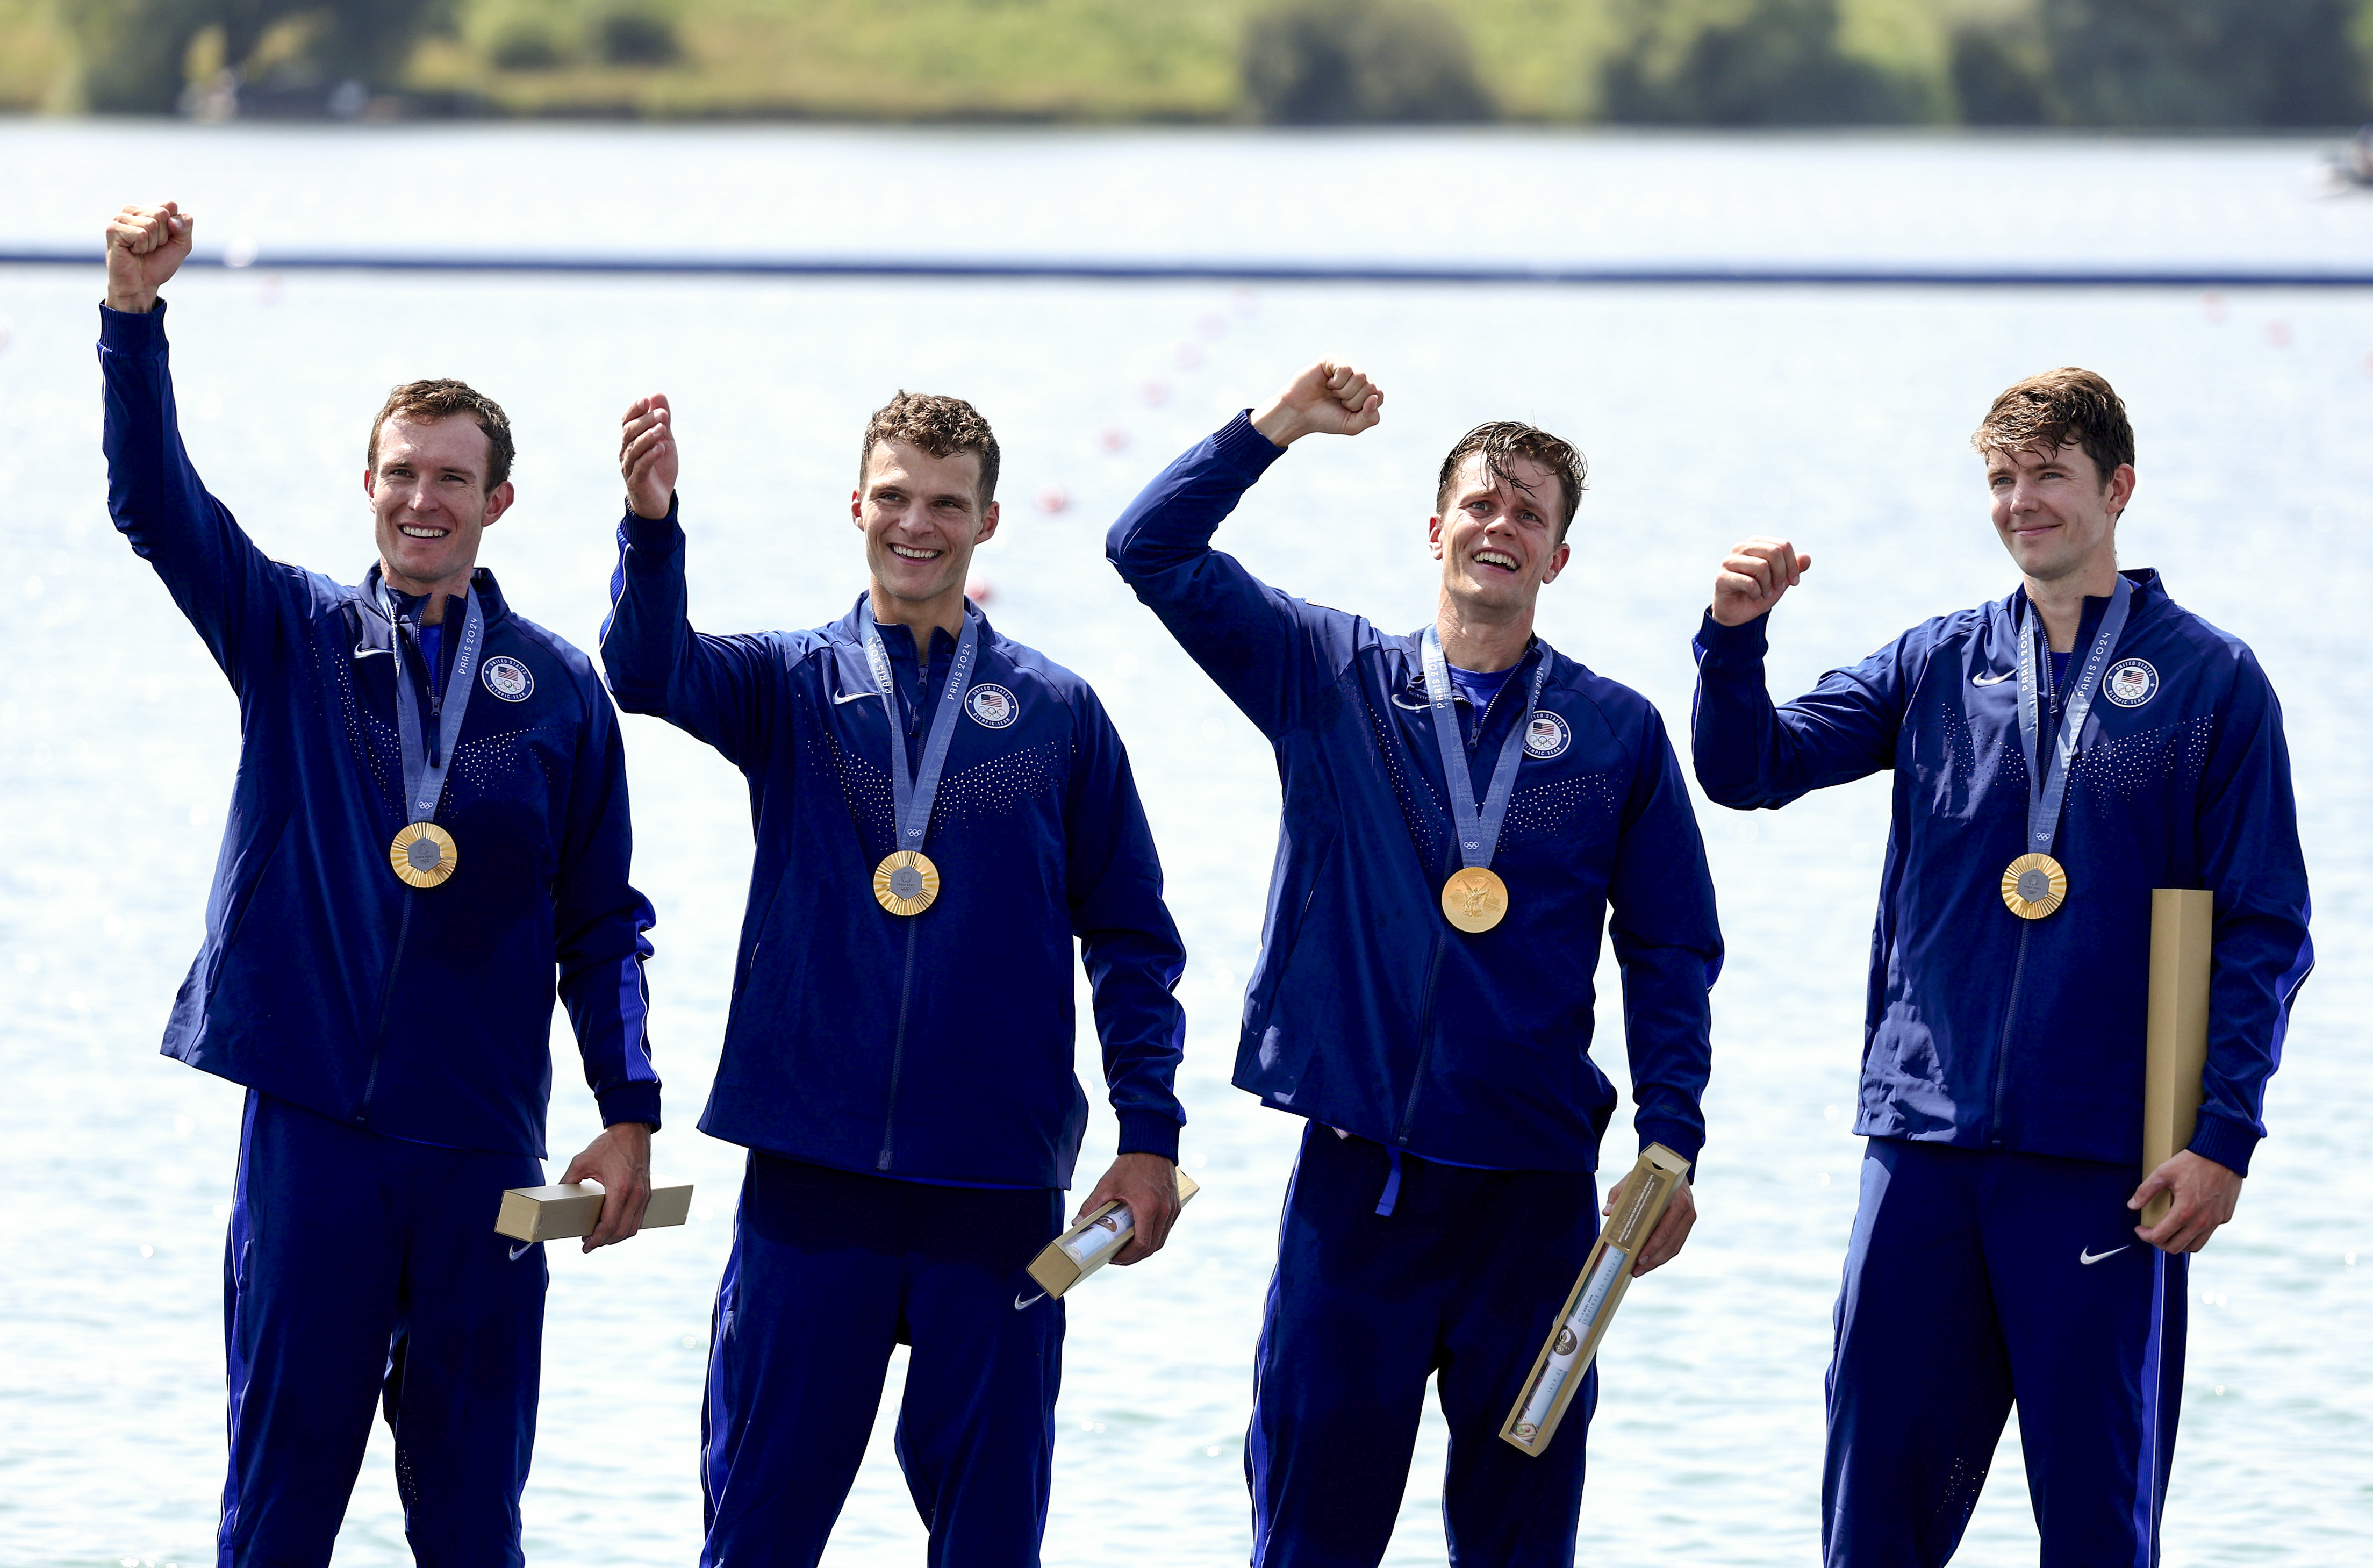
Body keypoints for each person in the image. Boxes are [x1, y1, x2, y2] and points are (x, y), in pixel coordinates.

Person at [97, 202, 662, 1566]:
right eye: (402, 472)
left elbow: (605, 925)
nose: (424, 500)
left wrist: (630, 1112)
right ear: (368, 485)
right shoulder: (292, 635)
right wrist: (131, 316)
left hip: (479, 1152)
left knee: (472, 1522)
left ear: (499, 502)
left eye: (453, 479)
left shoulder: (561, 697)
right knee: (279, 1512)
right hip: (317, 1142)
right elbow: (151, 501)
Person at [1691, 368, 2313, 1566]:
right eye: (2002, 480)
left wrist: (2223, 1137)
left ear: (2118, 488)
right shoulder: (1936, 662)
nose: (2023, 502)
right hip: (1921, 1148)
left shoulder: (2210, 682)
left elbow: (2267, 930)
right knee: (1875, 1524)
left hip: (2103, 1165)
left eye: (2050, 477)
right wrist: (1733, 640)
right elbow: (1751, 767)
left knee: (2094, 1529)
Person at [1106, 361, 1721, 1566]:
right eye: (1482, 504)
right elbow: (1149, 548)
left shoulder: (1615, 733)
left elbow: (1670, 950)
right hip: (1359, 1195)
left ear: (1556, 560)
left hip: (1537, 1206)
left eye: (1530, 514)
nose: (1502, 525)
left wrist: (1671, 1136)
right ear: (1436, 529)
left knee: (1517, 1544)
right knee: (1312, 1542)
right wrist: (1274, 428)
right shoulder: (1325, 676)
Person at [601, 388, 1188, 1566]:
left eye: (946, 504)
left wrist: (1151, 1131)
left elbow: (1132, 939)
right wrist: (651, 527)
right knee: (759, 1529)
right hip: (812, 1183)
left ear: (989, 522)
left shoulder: (1059, 715)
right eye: (895, 498)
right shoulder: (788, 686)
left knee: (989, 1539)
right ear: (857, 506)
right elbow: (648, 670)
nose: (916, 524)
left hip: (997, 1186)